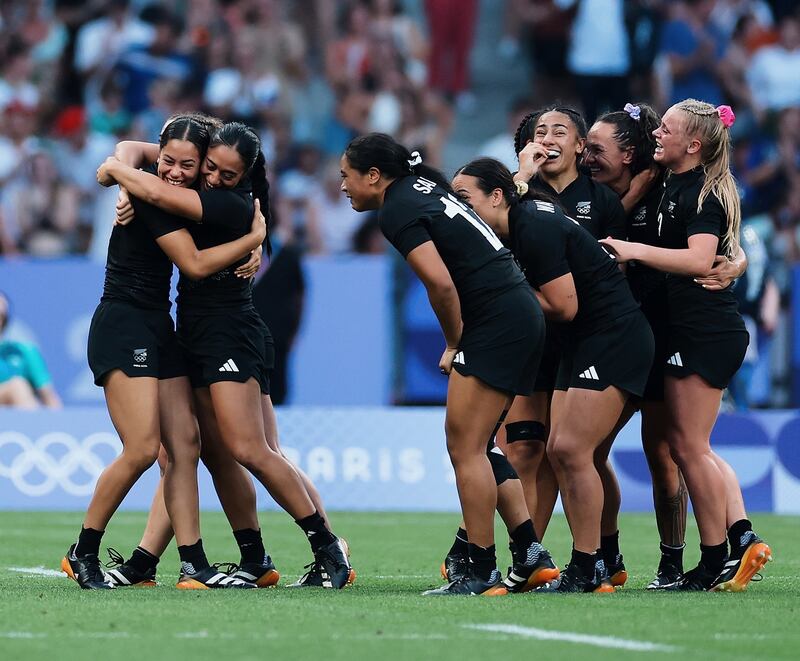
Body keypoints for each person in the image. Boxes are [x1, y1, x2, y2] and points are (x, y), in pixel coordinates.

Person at [97, 122, 354, 589]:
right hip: (195, 332)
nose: (213, 177)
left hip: (230, 333)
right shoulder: (193, 176)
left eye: (227, 174)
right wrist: (124, 165)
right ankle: (239, 559)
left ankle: (327, 545)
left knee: (248, 449)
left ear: (246, 176)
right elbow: (141, 151)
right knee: (201, 452)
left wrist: (118, 173)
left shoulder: (229, 205)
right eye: (209, 167)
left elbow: (184, 244)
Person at [63, 116, 266, 590]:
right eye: (168, 161)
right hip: (124, 323)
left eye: (187, 165)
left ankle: (193, 563)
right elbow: (193, 266)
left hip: (158, 326)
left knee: (185, 448)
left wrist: (117, 169)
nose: (174, 171)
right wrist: (253, 241)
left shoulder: (180, 197)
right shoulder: (151, 196)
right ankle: (84, 549)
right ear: (159, 154)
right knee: (140, 449)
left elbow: (124, 154)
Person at [341, 132, 545, 596]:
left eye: (346, 176)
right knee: (484, 446)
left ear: (374, 176)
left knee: (465, 448)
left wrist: (454, 341)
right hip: (516, 311)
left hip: (495, 319)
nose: (343, 187)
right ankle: (531, 554)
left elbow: (441, 285)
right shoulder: (423, 187)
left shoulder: (397, 207)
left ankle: (480, 570)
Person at [453, 157, 653, 593]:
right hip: (583, 343)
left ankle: (590, 564)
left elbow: (564, 306)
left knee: (571, 450)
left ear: (497, 196)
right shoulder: (520, 222)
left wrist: (505, 296)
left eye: (465, 199)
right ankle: (589, 562)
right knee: (563, 453)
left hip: (613, 336)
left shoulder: (533, 227)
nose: (460, 209)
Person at [600, 99, 772, 591]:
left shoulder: (700, 190)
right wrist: (732, 257)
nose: (658, 135)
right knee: (687, 446)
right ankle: (735, 542)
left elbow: (700, 259)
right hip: (685, 328)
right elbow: (719, 249)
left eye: (667, 130)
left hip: (702, 330)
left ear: (693, 144)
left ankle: (715, 555)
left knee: (687, 447)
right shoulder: (673, 182)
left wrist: (633, 251)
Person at [505, 105, 628, 586]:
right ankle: (529, 555)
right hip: (532, 340)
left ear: (581, 146)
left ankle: (603, 552)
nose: (549, 137)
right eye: (541, 131)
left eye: (561, 131)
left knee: (579, 454)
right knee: (524, 452)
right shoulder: (516, 195)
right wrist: (522, 174)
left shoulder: (603, 201)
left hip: (585, 340)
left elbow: (616, 271)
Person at [0, 291, 62, 409]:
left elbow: (49, 397)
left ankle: (33, 427)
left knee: (18, 387)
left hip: (15, 416)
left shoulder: (24, 352)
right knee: (16, 386)